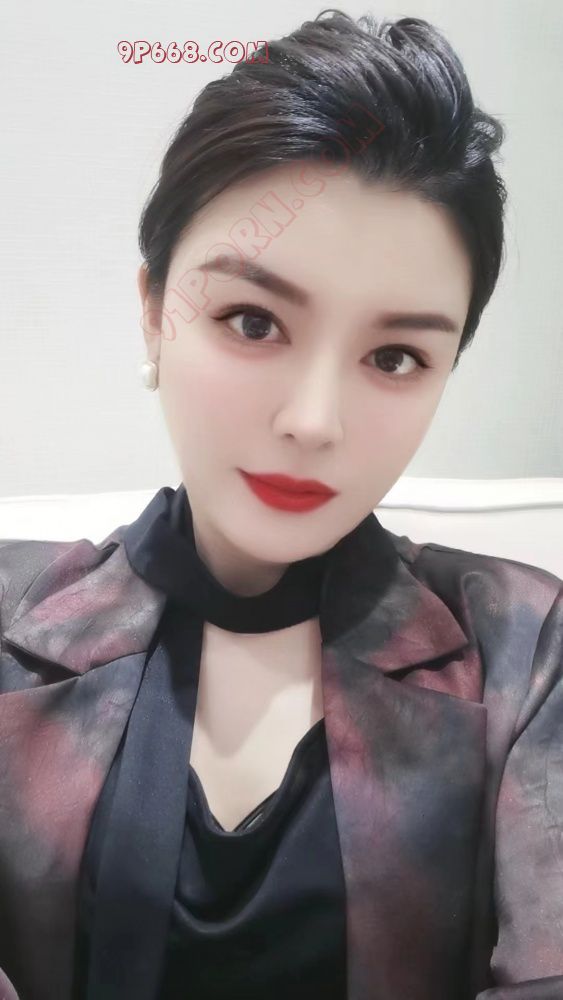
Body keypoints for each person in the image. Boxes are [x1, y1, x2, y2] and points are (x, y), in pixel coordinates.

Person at [0, 8, 562, 1000]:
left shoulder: (524, 652)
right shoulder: (10, 619)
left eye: (396, 356)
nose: (312, 421)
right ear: (154, 312)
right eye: (252, 321)